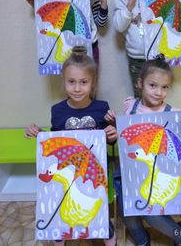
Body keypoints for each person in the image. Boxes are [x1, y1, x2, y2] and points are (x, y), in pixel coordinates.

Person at [25, 46, 117, 246]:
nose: (77, 88)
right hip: (68, 176)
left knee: (103, 225)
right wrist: (39, 133)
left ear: (92, 83)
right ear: (63, 81)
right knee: (59, 223)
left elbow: (108, 142)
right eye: (71, 82)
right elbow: (57, 141)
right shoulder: (57, 111)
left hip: (94, 175)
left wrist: (112, 132)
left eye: (84, 82)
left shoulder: (102, 108)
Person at [105, 55, 181, 246]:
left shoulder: (172, 116)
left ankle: (180, 237)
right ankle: (141, 240)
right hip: (127, 174)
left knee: (153, 216)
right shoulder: (131, 106)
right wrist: (115, 127)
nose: (159, 92)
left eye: (165, 87)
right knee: (129, 214)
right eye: (153, 85)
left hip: (156, 178)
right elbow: (126, 140)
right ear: (140, 83)